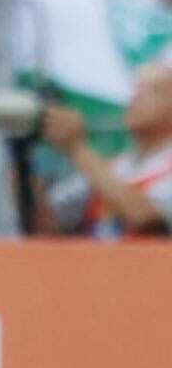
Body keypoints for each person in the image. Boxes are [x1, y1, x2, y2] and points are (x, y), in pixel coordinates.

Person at [36, 64, 172, 238]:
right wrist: (25, 169)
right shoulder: (112, 167)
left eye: (152, 91)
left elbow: (146, 217)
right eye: (137, 89)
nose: (135, 98)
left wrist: (77, 148)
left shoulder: (97, 168)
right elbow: (48, 225)